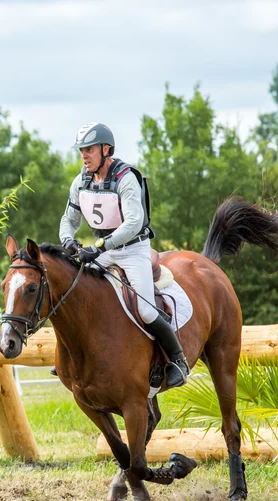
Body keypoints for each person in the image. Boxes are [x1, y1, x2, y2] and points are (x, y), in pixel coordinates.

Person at [56, 122, 189, 387]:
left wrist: (101, 246)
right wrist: (67, 240)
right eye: (82, 150)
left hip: (133, 250)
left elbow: (133, 223)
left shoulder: (125, 177)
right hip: (103, 251)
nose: (84, 155)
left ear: (106, 149)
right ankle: (73, 358)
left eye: (90, 149)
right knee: (76, 292)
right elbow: (68, 219)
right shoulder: (80, 181)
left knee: (146, 310)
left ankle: (177, 360)